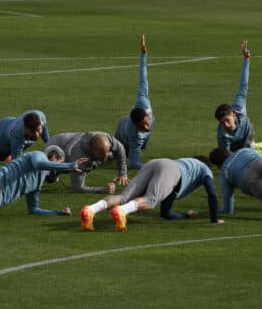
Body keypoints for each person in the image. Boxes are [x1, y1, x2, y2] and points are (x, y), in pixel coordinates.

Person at [79, 156, 222, 231]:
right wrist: (214, 219)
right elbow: (213, 194)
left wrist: (185, 215)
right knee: (151, 199)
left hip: (157, 162)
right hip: (171, 170)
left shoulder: (185, 171)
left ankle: (91, 209)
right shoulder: (205, 170)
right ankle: (122, 211)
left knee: (124, 197)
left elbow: (165, 213)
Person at [208, 146, 262, 213]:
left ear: (217, 165)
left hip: (248, 176)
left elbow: (228, 205)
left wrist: (223, 210)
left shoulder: (224, 172)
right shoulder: (244, 150)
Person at [114, 35, 154, 169]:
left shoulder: (144, 102)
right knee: (118, 155)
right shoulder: (135, 135)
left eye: (146, 123)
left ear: (147, 115)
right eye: (142, 126)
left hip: (127, 123)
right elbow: (134, 164)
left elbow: (143, 78)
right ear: (136, 126)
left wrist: (144, 54)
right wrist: (154, 166)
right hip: (122, 134)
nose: (146, 126)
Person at [46, 131, 129, 194]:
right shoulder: (79, 157)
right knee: (50, 178)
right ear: (92, 151)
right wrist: (103, 190)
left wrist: (123, 173)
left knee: (111, 156)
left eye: (107, 152)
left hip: (67, 140)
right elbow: (77, 188)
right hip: (54, 146)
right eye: (101, 154)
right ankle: (54, 173)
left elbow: (120, 148)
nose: (105, 157)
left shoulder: (107, 139)